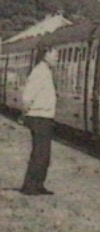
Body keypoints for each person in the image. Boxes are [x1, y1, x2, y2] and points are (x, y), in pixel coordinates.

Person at [19, 47, 58, 195]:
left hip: (44, 117)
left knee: (43, 153)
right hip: (39, 117)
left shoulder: (45, 71)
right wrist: (26, 113)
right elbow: (28, 95)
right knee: (40, 153)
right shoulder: (39, 72)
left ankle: (38, 184)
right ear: (45, 54)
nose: (57, 58)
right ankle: (30, 186)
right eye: (55, 55)